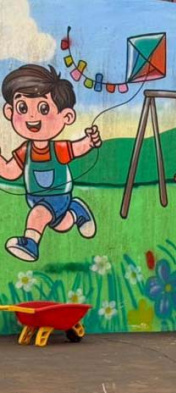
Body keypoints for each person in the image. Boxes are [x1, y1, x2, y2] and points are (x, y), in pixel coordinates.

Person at [0, 64, 102, 262]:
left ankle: (30, 244)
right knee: (62, 225)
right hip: (34, 197)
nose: (31, 116)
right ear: (10, 111)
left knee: (39, 215)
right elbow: (11, 171)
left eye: (43, 108)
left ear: (67, 116)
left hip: (58, 197)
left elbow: (77, 148)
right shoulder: (25, 151)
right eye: (22, 108)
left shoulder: (58, 149)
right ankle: (75, 211)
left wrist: (90, 141)